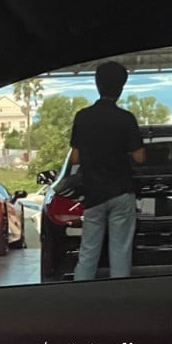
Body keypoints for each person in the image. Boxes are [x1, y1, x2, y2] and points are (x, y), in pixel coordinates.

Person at [68, 61, 145, 280]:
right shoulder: (126, 118)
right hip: (121, 191)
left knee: (88, 252)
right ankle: (118, 295)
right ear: (121, 88)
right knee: (120, 251)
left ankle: (81, 293)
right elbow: (140, 157)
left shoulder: (82, 117)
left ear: (97, 85)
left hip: (93, 193)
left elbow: (75, 157)